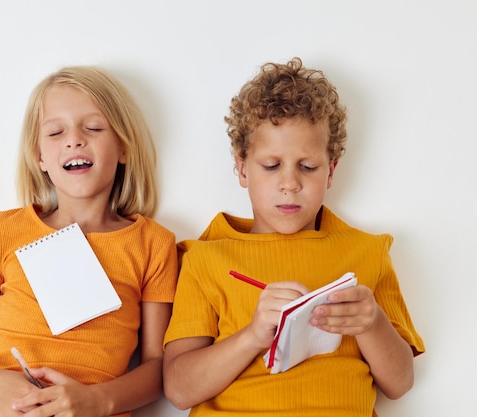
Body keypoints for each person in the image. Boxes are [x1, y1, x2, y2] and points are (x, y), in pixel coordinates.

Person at [162, 57, 424, 416]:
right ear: (241, 168)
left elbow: (400, 383)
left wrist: (373, 323)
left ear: (330, 171)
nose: (290, 183)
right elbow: (178, 389)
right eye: (271, 166)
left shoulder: (367, 252)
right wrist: (253, 336)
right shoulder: (205, 259)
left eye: (308, 166)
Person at [0, 66, 178, 417]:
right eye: (56, 131)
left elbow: (157, 369)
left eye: (93, 128)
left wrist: (98, 401)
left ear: (123, 147)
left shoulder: (154, 243)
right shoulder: (7, 230)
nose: (74, 139)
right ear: (40, 157)